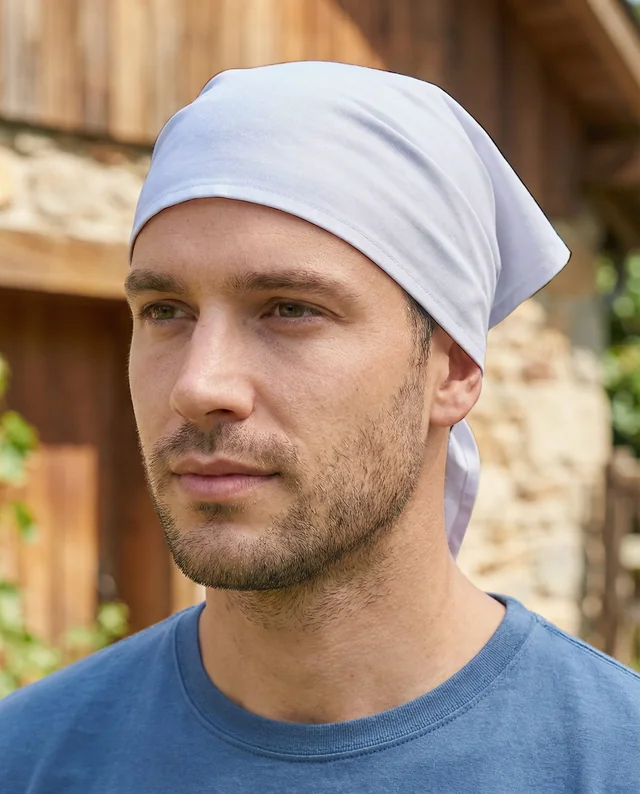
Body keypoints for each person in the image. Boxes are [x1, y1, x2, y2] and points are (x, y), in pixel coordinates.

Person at [1, 61, 638, 794]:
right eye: (165, 312)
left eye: (289, 308)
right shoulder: (28, 759)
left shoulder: (612, 763)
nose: (198, 386)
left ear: (454, 369)